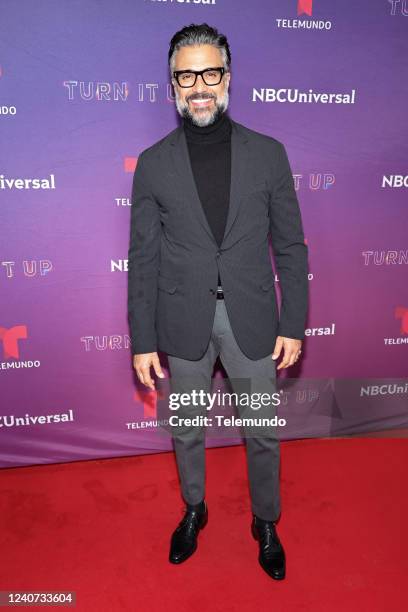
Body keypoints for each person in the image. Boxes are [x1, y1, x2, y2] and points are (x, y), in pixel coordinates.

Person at [127, 23, 309, 581]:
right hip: (182, 319)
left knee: (261, 431)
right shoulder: (153, 163)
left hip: (252, 317)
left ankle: (266, 520)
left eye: (210, 72)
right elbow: (143, 258)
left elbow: (291, 245)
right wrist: (143, 340)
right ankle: (194, 509)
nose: (199, 85)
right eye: (187, 74)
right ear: (172, 84)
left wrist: (294, 322)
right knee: (185, 428)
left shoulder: (269, 155)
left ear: (227, 77)